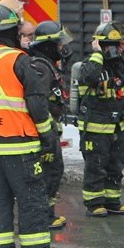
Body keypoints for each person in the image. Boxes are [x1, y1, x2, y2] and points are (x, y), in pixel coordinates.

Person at [0, 3, 65, 248]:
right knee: (31, 199)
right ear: (12, 32)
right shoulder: (19, 60)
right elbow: (37, 105)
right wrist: (48, 138)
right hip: (17, 144)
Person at [76, 21, 124, 216]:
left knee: (116, 165)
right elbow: (90, 77)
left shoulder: (121, 65)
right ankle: (94, 203)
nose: (112, 50)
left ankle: (112, 201)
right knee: (96, 166)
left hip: (118, 126)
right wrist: (98, 53)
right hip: (95, 128)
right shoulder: (90, 65)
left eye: (115, 45)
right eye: (107, 45)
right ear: (98, 45)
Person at [26, 20, 71, 230]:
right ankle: (44, 216)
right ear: (48, 45)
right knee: (48, 173)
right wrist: (46, 134)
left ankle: (47, 214)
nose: (63, 48)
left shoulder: (44, 64)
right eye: (59, 44)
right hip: (44, 132)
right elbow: (38, 102)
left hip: (49, 129)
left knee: (52, 172)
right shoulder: (41, 68)